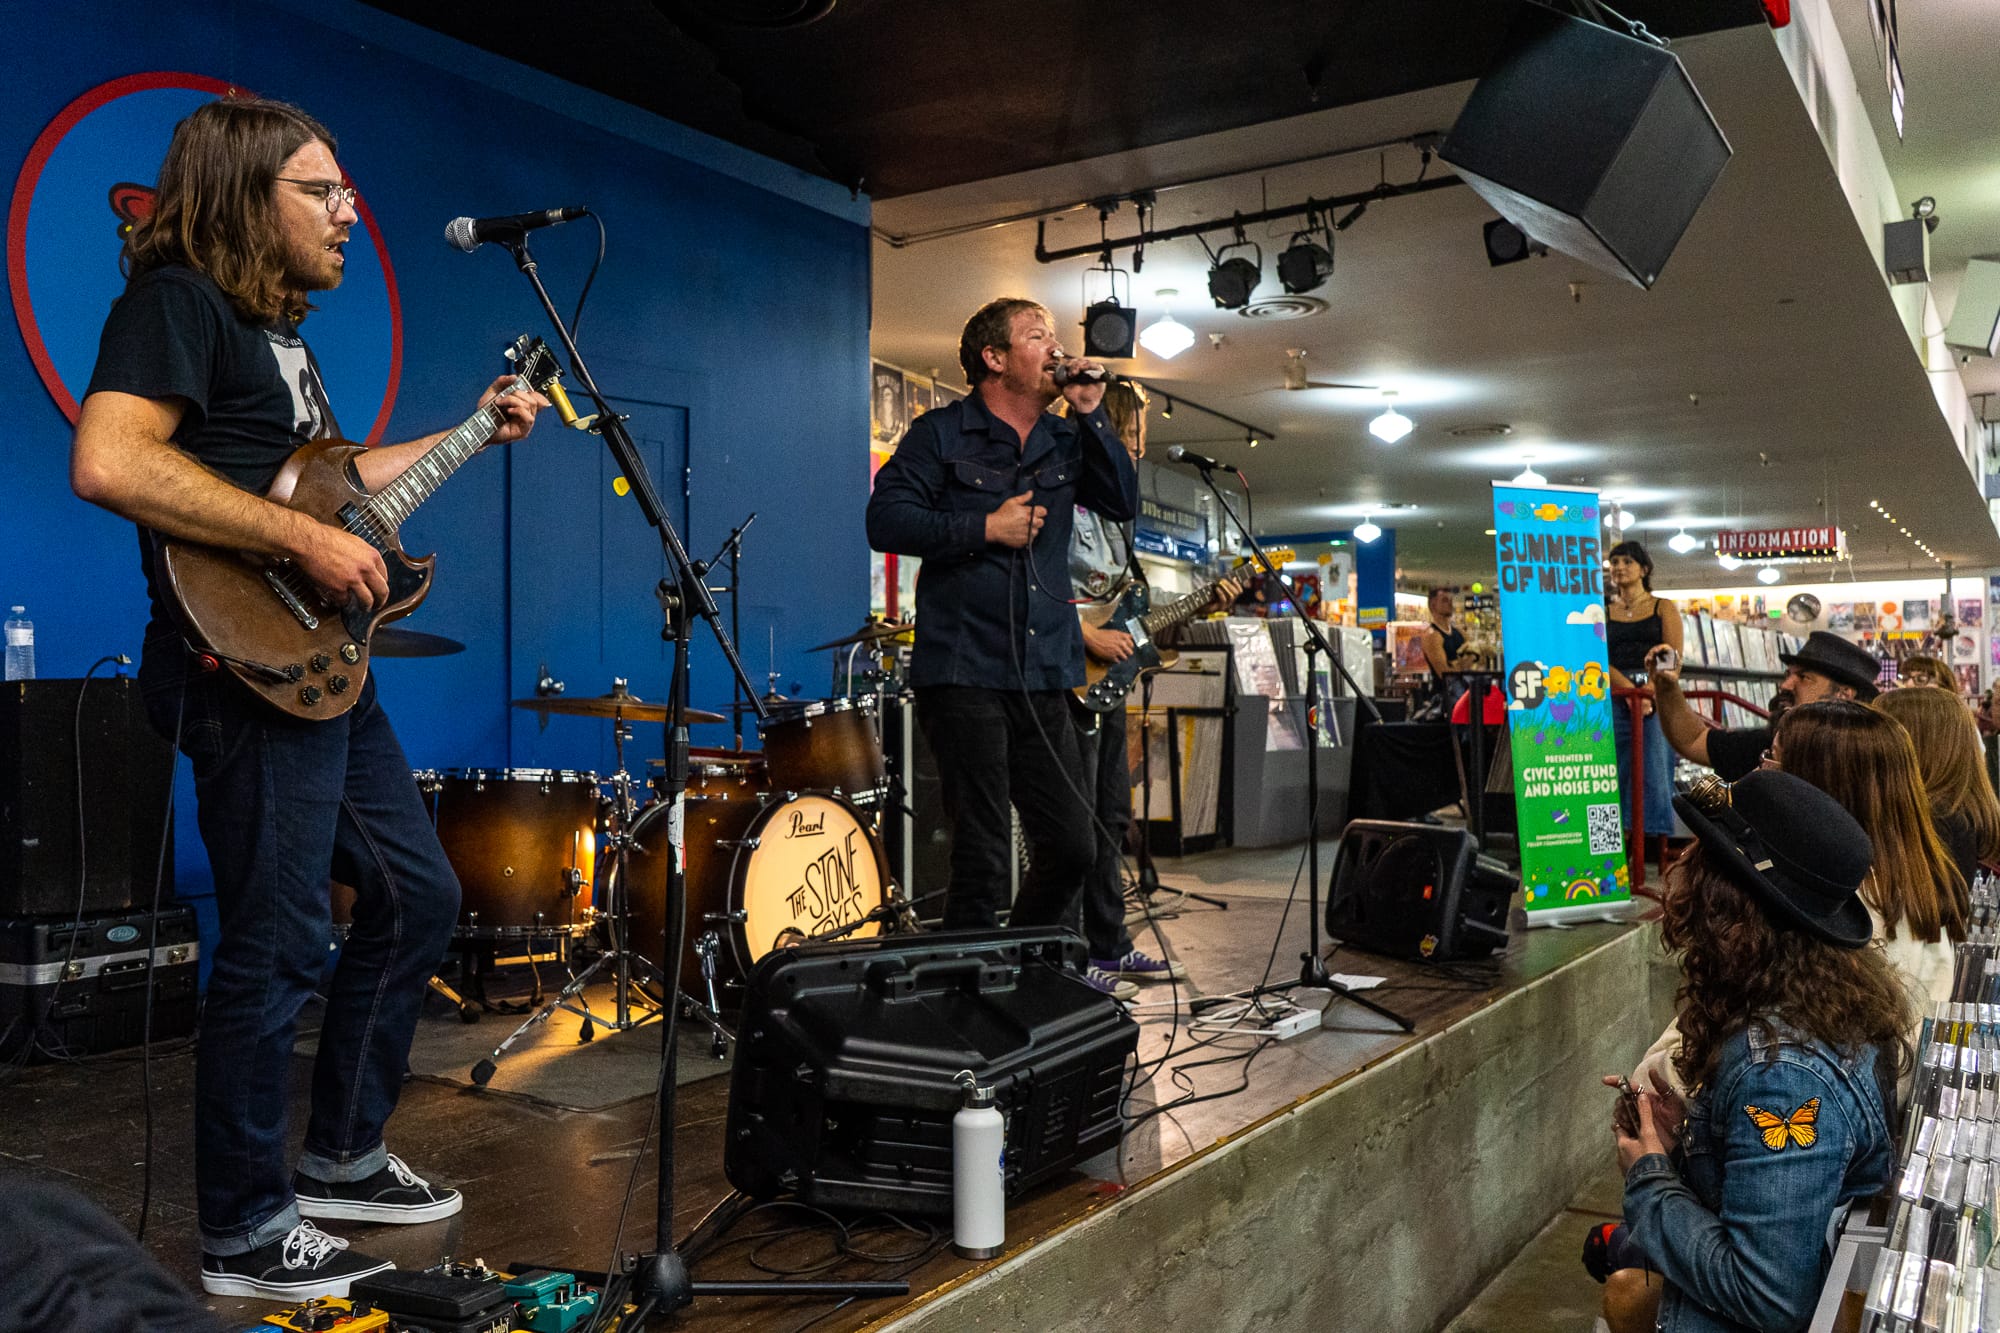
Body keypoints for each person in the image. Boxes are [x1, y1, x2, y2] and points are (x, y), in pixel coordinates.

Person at [68, 97, 547, 1299]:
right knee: (278, 939)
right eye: (321, 191)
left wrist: (471, 430)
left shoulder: (280, 335)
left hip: (320, 663)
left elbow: (333, 487)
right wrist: (302, 540)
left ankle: (339, 1155)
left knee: (416, 891)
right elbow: (111, 459)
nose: (349, 212)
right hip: (240, 670)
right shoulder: (178, 300)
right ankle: (240, 1228)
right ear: (245, 195)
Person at [866, 298, 1138, 944]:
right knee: (983, 855)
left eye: (1053, 336)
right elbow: (885, 520)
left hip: (1043, 676)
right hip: (964, 671)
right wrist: (985, 527)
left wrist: (1092, 413)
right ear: (994, 358)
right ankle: (968, 1006)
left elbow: (1123, 498)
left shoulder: (1066, 439)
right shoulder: (941, 434)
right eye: (1036, 335)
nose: (1053, 346)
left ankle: (1018, 972)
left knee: (1075, 843)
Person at [1599, 770, 1909, 1333]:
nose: (1685, 866)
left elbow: (1768, 1295)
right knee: (1616, 1269)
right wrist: (1688, 1136)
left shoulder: (1784, 1073)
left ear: (1727, 899)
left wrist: (1647, 1176)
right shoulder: (1821, 995)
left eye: (1704, 853)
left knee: (1619, 1281)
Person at [1066, 381, 1236, 996]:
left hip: (1109, 686)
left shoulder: (1117, 512)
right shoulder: (1069, 499)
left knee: (1111, 815)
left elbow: (1129, 600)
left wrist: (1198, 602)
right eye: (1132, 436)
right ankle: (1067, 958)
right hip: (1069, 678)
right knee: (1073, 823)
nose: (1138, 450)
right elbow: (1040, 590)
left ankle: (1109, 945)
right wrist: (1086, 635)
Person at [1648, 629, 1881, 781]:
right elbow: (1693, 740)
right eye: (1788, 674)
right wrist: (1666, 686)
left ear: (1843, 694)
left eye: (1804, 677)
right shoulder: (1769, 745)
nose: (1786, 685)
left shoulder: (1870, 761)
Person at [1873, 685, 2000, 893]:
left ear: (1913, 742)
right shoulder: (1956, 811)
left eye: (1881, 733)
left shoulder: (1938, 820)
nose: (1873, 743)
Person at [1603, 541, 1682, 844]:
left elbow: (1671, 653)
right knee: (1614, 767)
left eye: (1627, 561)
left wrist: (1650, 692)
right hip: (1613, 692)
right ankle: (1615, 842)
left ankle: (1650, 842)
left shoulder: (1663, 607)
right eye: (1614, 562)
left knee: (1653, 768)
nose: (1619, 567)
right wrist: (1627, 689)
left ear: (1644, 569)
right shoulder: (1604, 611)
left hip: (1655, 694)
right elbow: (1596, 656)